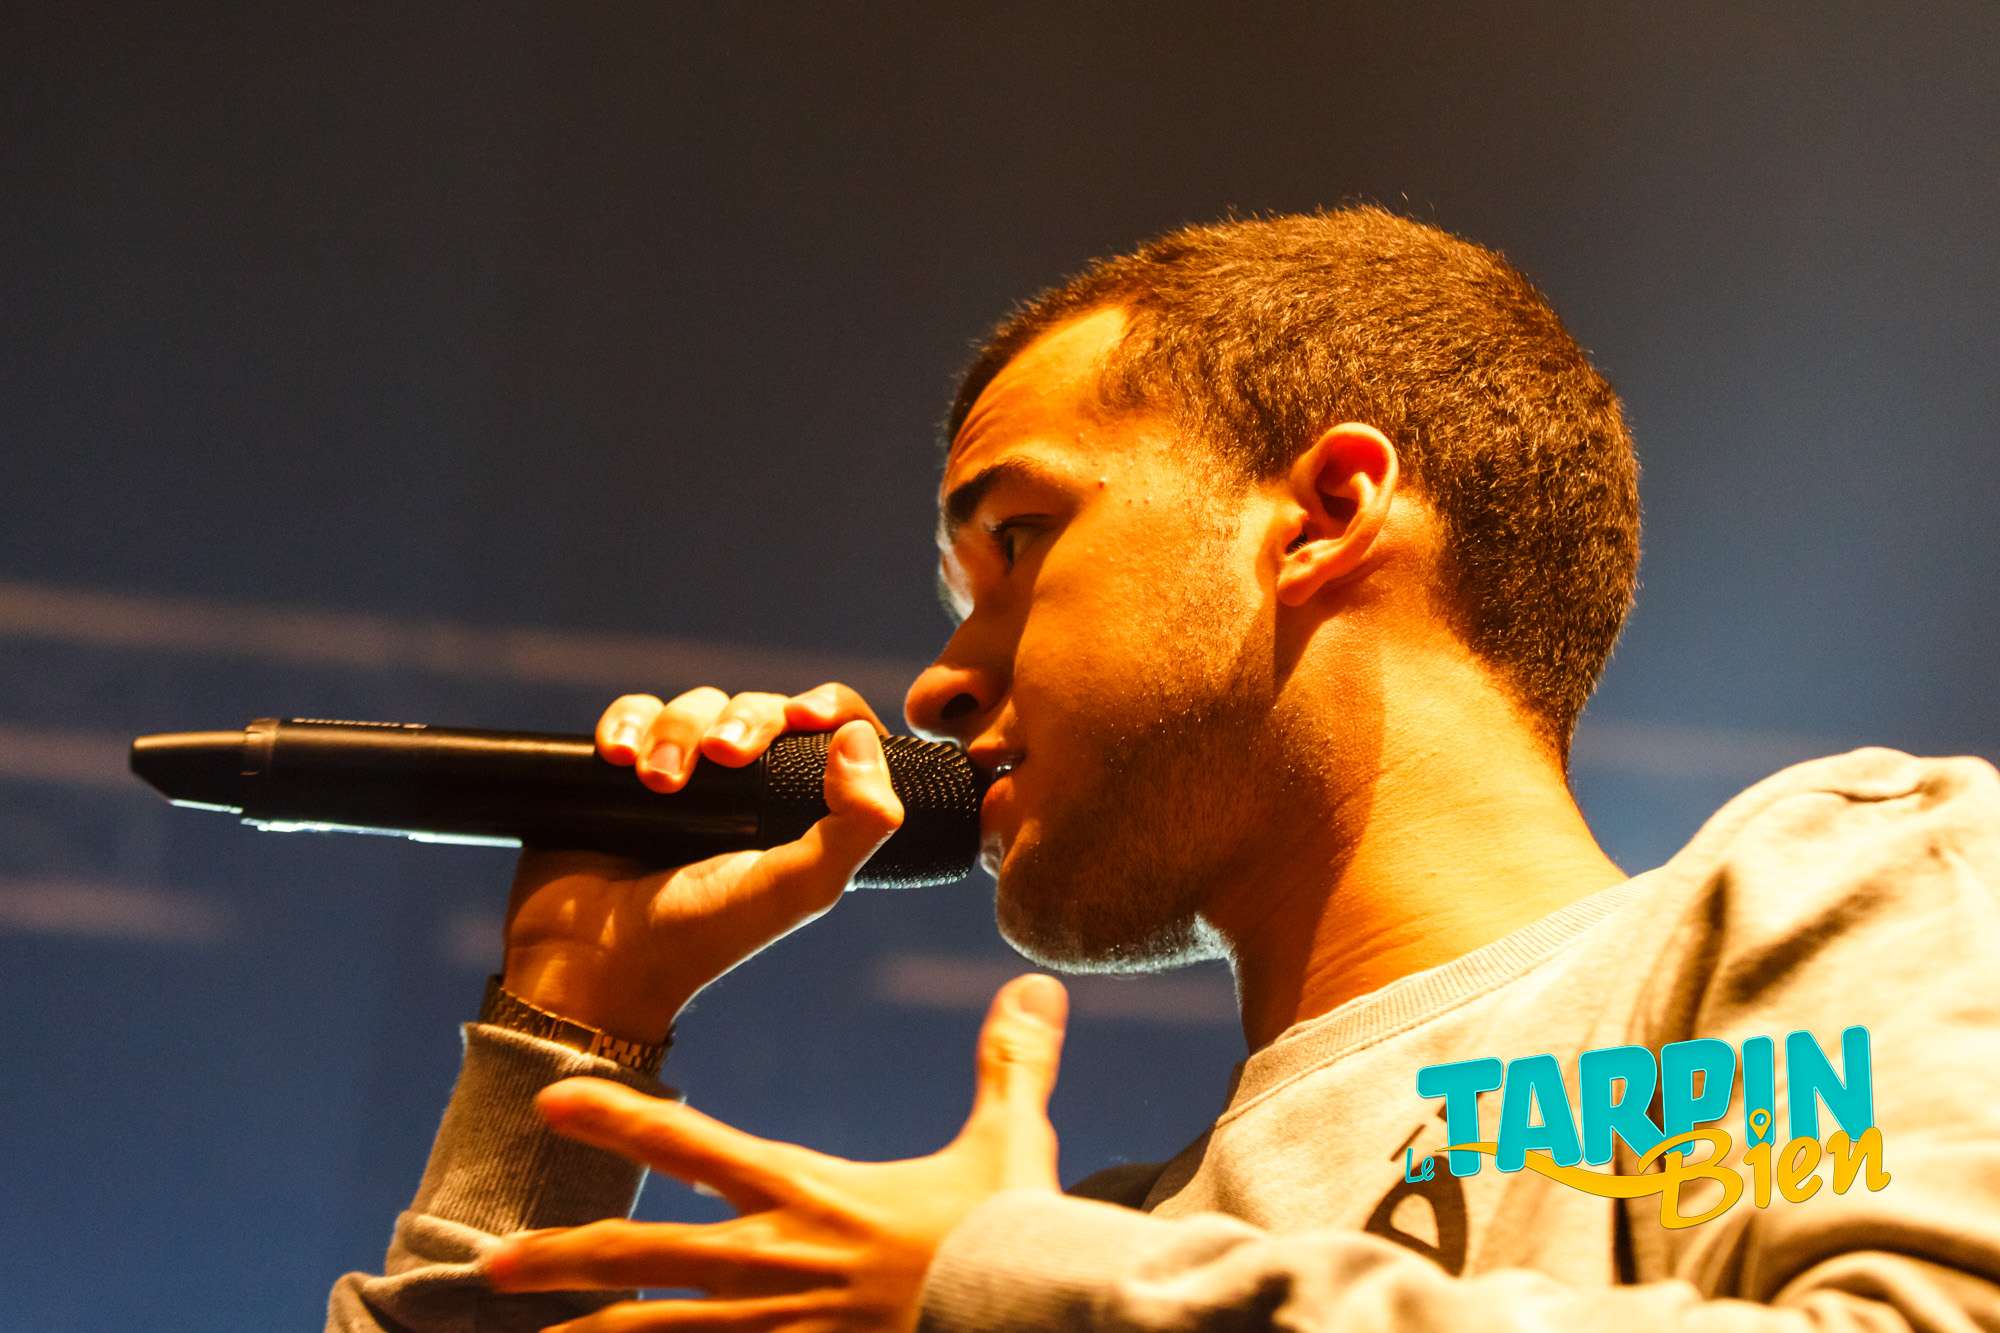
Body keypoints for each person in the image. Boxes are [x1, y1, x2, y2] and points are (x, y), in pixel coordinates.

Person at [328, 207, 2000, 1332]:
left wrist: (1026, 1286)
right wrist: (575, 1013)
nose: (939, 675)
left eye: (1016, 540)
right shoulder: (1110, 1240)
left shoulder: (1836, 889)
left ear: (1326, 514)